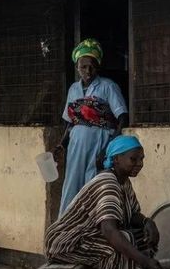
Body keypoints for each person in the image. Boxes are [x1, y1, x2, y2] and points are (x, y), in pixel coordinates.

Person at [45, 135, 160, 269]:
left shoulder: (123, 181)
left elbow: (132, 214)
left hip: (86, 237)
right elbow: (109, 231)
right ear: (116, 159)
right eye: (134, 159)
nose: (139, 164)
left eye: (141, 159)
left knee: (143, 237)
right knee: (120, 242)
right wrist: (144, 260)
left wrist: (149, 223)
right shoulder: (107, 184)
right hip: (65, 241)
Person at [54, 38, 129, 214]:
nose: (88, 70)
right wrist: (61, 145)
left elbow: (123, 118)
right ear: (77, 67)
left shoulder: (108, 86)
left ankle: (93, 231)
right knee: (73, 183)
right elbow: (71, 122)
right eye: (83, 66)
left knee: (94, 185)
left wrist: (108, 149)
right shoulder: (73, 89)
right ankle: (67, 227)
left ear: (98, 66)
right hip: (76, 147)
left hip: (99, 144)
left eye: (92, 66)